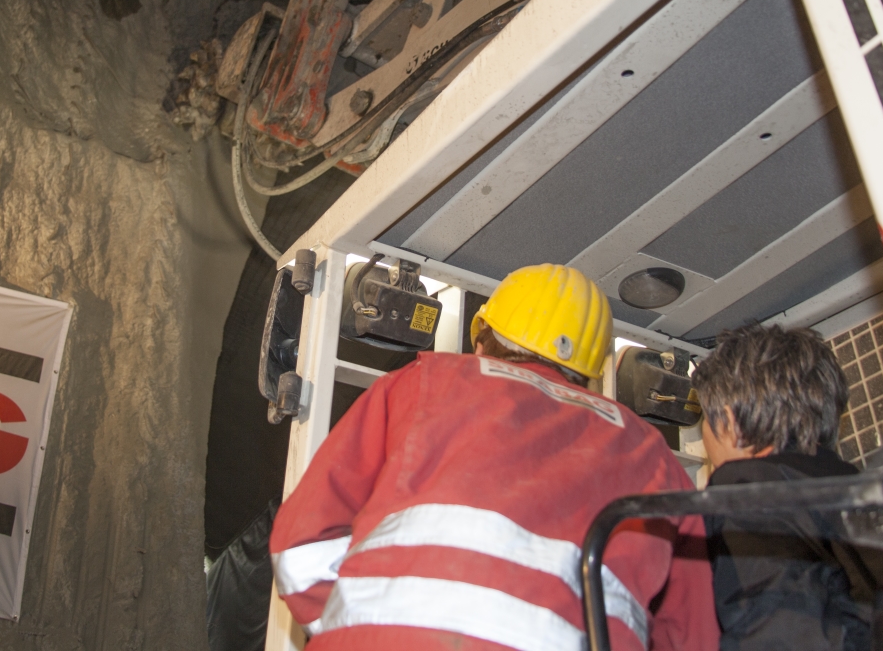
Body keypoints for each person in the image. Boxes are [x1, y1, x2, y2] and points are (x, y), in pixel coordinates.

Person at [269, 263, 719, 651]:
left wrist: (359, 627)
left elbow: (300, 544)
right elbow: (691, 633)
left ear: (482, 336)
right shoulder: (653, 454)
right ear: (590, 372)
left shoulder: (423, 383)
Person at [691, 323, 873, 651]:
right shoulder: (866, 493)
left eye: (705, 418)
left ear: (730, 423)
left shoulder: (747, 494)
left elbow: (777, 634)